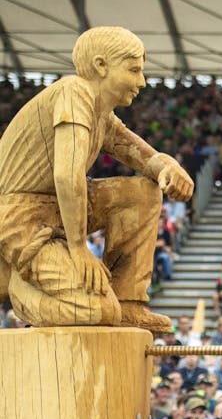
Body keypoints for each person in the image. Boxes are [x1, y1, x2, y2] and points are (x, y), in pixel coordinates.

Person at [0, 26, 193, 331]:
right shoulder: (74, 90)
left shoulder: (101, 113)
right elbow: (67, 175)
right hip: (23, 217)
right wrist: (79, 249)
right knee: (98, 311)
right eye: (134, 70)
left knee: (143, 192)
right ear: (101, 66)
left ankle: (129, 302)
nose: (141, 82)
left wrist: (168, 167)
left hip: (57, 211)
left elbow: (144, 156)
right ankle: (19, 288)